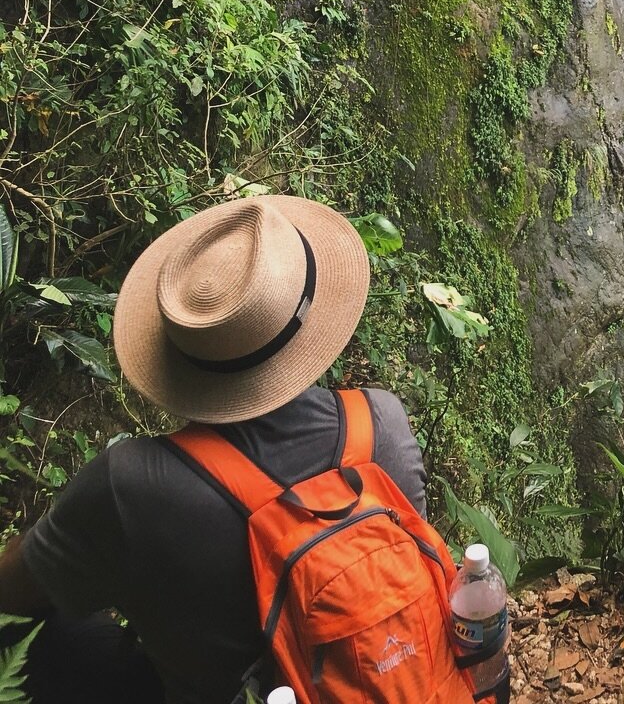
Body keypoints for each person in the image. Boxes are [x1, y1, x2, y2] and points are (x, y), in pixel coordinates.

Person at [0, 195, 430, 703]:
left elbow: (13, 592)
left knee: (47, 639)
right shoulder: (382, 423)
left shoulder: (131, 484)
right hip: (395, 679)